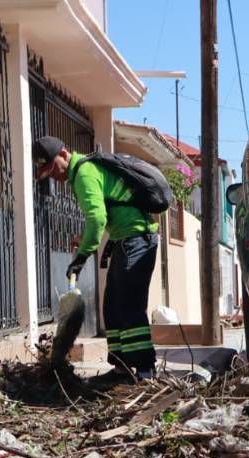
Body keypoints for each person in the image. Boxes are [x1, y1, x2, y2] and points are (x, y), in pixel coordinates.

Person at [33, 136, 159, 381]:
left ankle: (145, 369)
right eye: (47, 172)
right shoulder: (83, 172)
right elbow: (102, 215)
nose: (54, 176)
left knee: (129, 304)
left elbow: (97, 219)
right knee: (112, 305)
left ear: (63, 153)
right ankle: (121, 368)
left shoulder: (84, 173)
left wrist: (81, 258)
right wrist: (85, 238)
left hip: (137, 239)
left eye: (52, 168)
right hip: (127, 240)